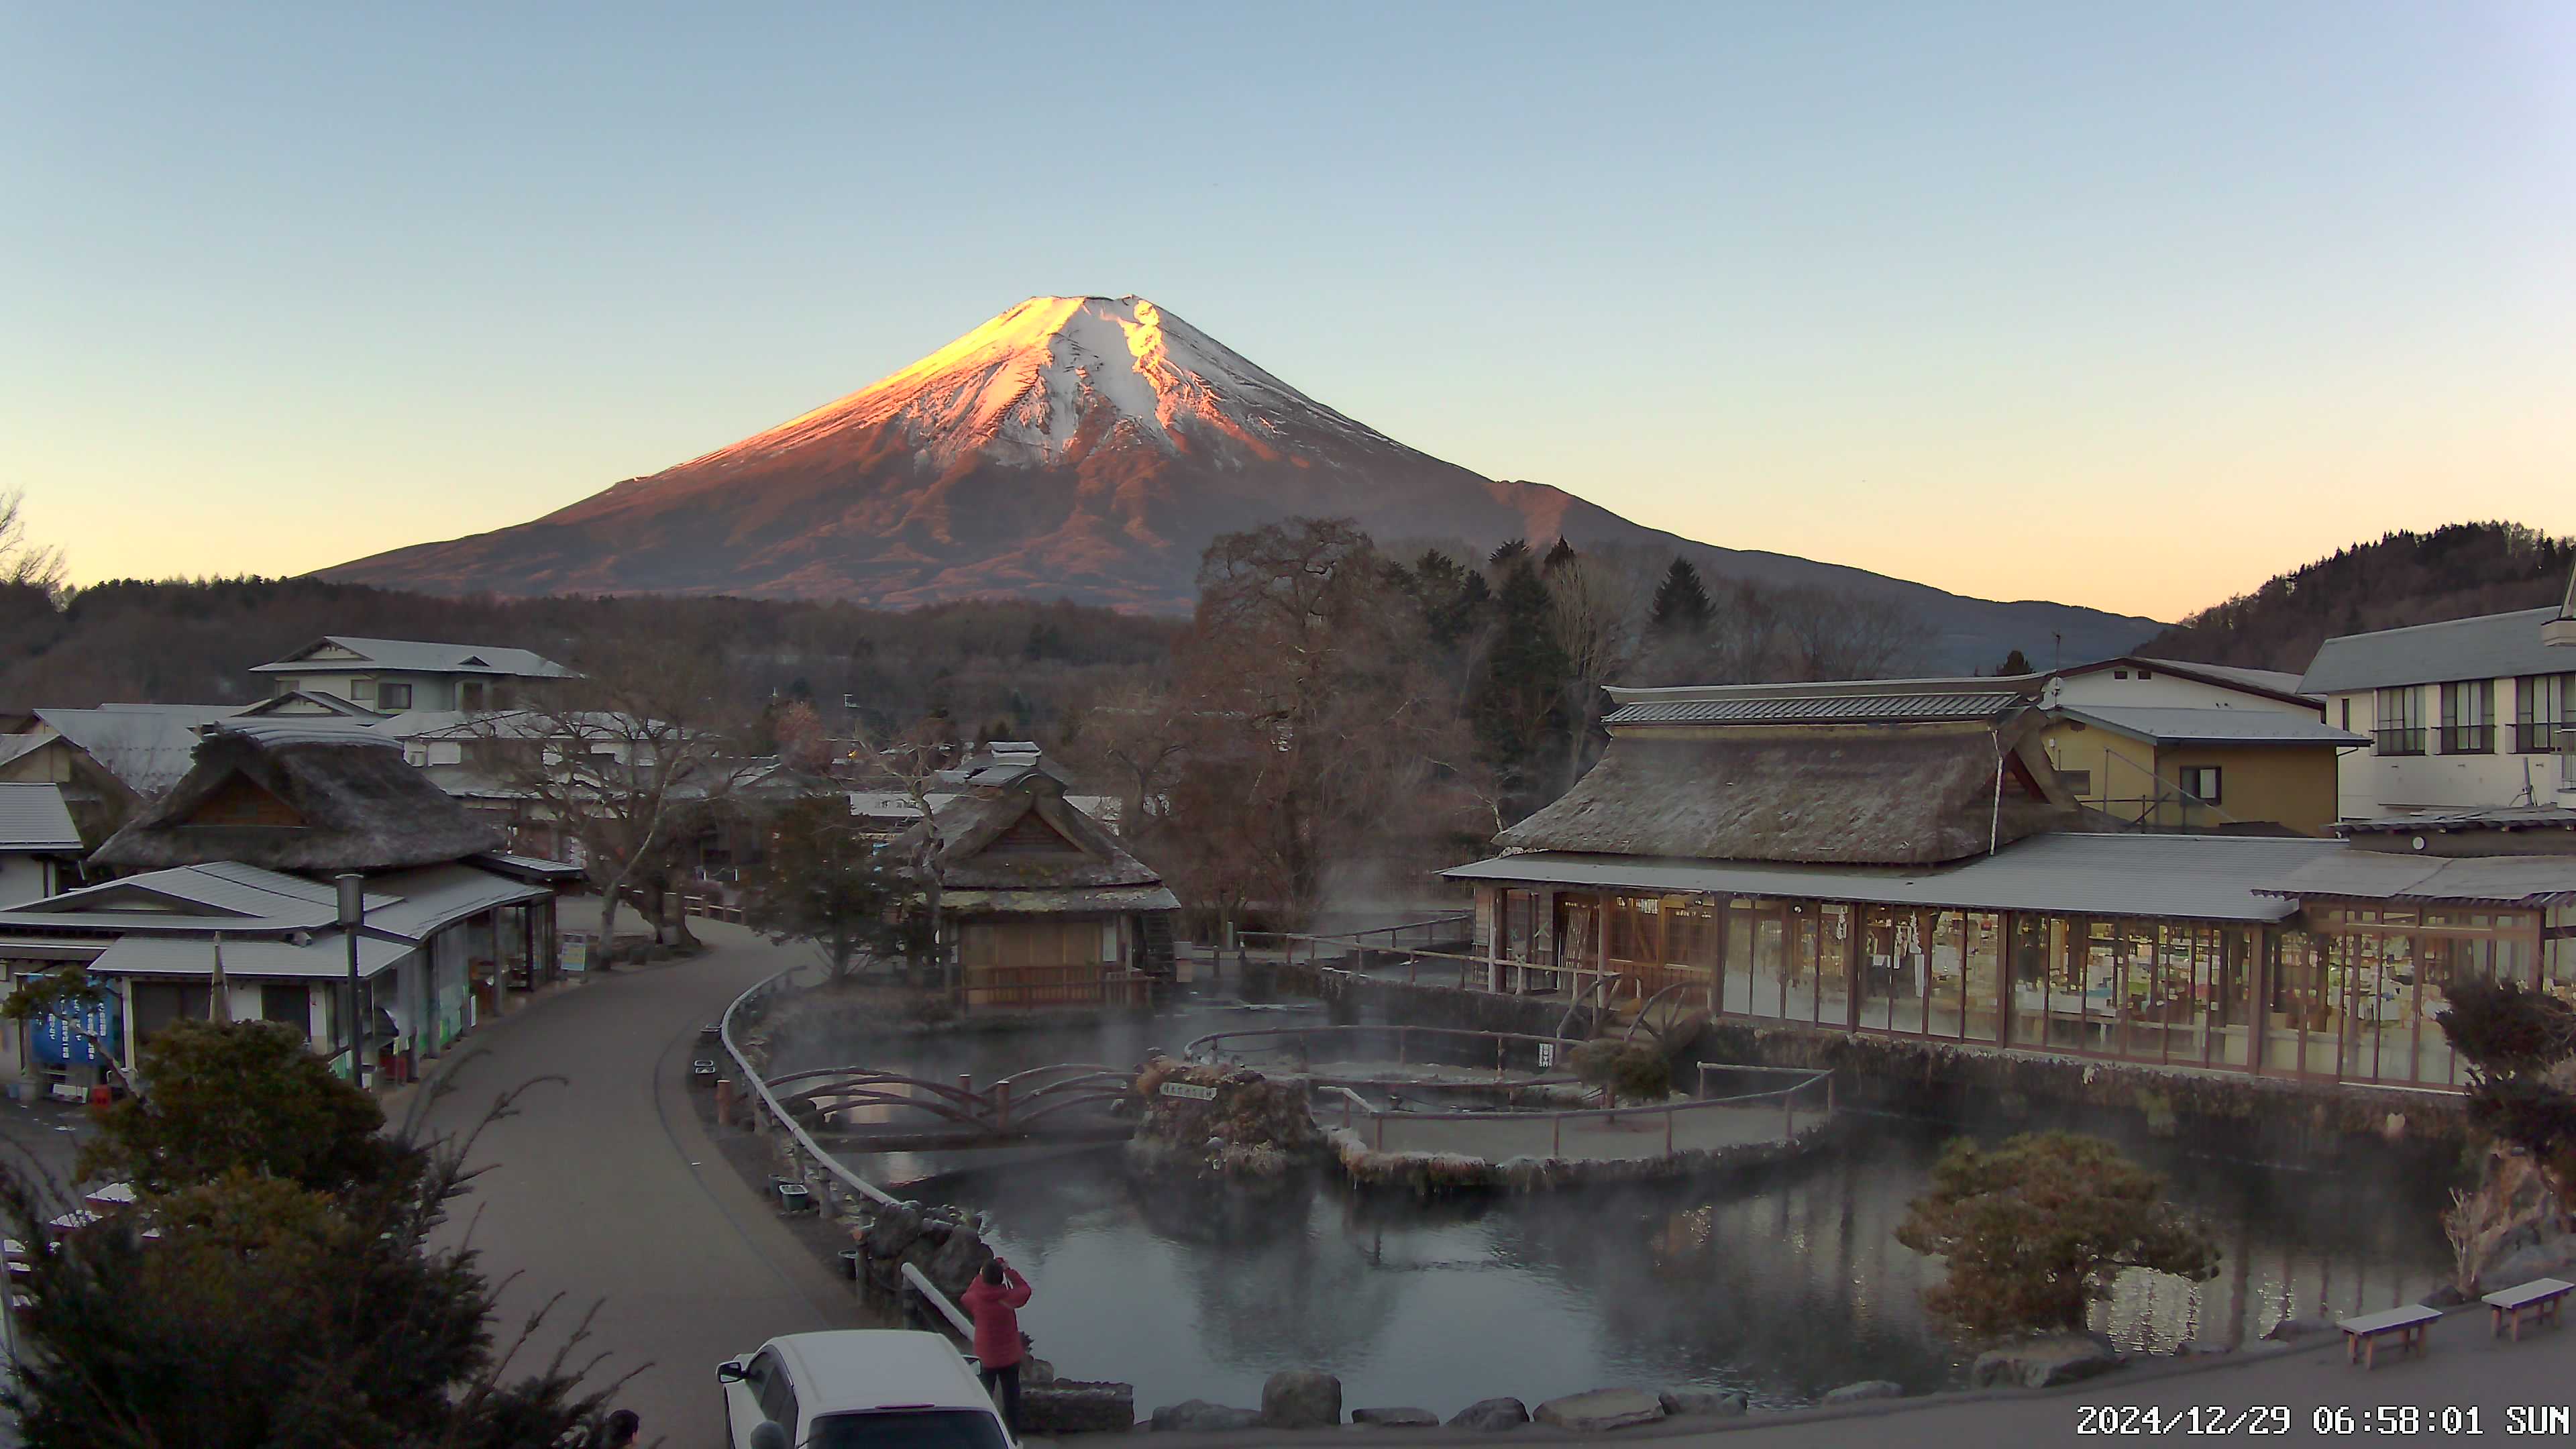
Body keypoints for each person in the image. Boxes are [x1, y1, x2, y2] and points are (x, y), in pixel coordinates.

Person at [959, 1256, 1032, 1432]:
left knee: (985, 1397)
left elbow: (965, 1296)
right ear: (1001, 1279)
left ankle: (982, 1433)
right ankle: (1012, 1436)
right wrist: (1009, 1271)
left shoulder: (976, 1300)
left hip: (987, 1359)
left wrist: (980, 1276)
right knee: (1011, 1399)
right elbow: (1025, 1289)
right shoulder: (1009, 1298)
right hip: (1010, 1358)